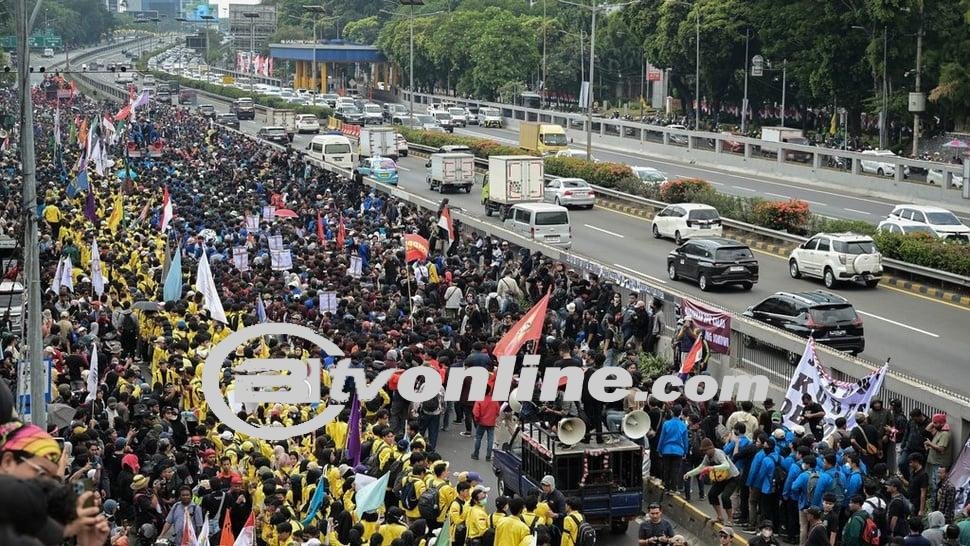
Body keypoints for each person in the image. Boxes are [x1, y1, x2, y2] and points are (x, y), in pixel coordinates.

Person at [683, 438, 741, 525]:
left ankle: (730, 519)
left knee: (725, 497)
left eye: (705, 450)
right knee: (712, 494)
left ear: (711, 448)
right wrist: (689, 473)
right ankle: (720, 517)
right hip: (721, 478)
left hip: (732, 477)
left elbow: (726, 465)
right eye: (703, 451)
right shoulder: (707, 457)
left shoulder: (718, 453)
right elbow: (701, 467)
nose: (704, 453)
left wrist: (712, 468)